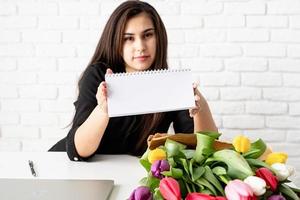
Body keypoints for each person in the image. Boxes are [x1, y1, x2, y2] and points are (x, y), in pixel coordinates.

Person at [49, 0, 217, 161]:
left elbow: (203, 150)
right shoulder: (98, 76)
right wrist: (103, 111)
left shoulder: (169, 83)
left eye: (148, 35)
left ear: (158, 38)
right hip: (67, 167)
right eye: (129, 38)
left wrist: (200, 109)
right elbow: (78, 151)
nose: (140, 46)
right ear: (116, 42)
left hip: (125, 175)